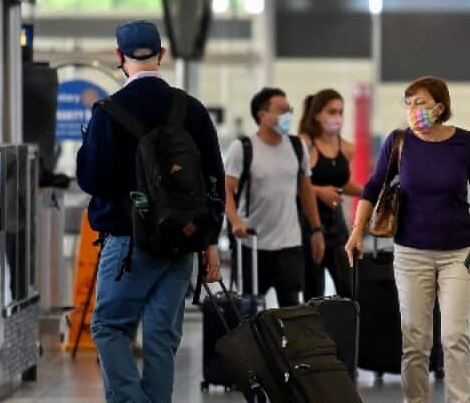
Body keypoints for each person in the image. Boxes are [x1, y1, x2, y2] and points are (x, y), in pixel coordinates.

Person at [76, 20, 223, 403]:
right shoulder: (191, 111)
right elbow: (213, 180)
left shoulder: (108, 112)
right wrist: (208, 242)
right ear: (162, 54)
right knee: (161, 337)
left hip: (127, 242)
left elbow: (92, 180)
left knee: (109, 327)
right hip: (182, 241)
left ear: (119, 57)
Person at [345, 77, 470, 403]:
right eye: (407, 103)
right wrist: (357, 230)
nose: (412, 110)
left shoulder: (465, 143)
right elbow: (373, 186)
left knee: (454, 336)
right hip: (411, 253)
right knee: (415, 340)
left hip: (458, 252)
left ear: (440, 107)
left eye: (419, 102)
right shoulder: (398, 142)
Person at [224, 87, 325, 307]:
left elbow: (305, 188)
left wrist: (316, 229)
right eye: (281, 110)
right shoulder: (243, 148)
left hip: (290, 245)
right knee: (249, 309)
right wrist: (235, 221)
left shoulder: (297, 147)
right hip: (252, 244)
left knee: (291, 310)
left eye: (289, 109)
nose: (288, 114)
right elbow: (226, 190)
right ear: (262, 115)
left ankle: (287, 343)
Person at [298, 89, 362, 299]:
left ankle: (347, 330)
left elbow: (342, 183)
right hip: (309, 227)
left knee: (348, 287)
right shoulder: (305, 144)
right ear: (317, 115)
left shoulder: (346, 147)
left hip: (337, 227)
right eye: (331, 111)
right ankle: (312, 331)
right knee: (314, 291)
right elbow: (290, 183)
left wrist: (370, 193)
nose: (337, 117)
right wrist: (318, 192)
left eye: (341, 112)